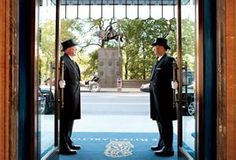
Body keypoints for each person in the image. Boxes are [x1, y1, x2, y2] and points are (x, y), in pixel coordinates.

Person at [149, 38, 177, 157]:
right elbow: (155, 79)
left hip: (165, 98)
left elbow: (174, 78)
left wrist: (175, 83)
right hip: (156, 98)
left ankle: (168, 148)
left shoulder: (169, 60)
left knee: (165, 122)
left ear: (161, 47)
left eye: (155, 46)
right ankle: (162, 143)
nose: (154, 48)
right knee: (159, 120)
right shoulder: (158, 61)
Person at [59, 38, 82, 155]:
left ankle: (68, 140)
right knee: (65, 120)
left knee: (71, 119)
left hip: (74, 94)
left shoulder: (72, 61)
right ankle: (63, 146)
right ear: (67, 49)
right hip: (67, 95)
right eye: (73, 47)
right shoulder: (62, 61)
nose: (75, 49)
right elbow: (60, 78)